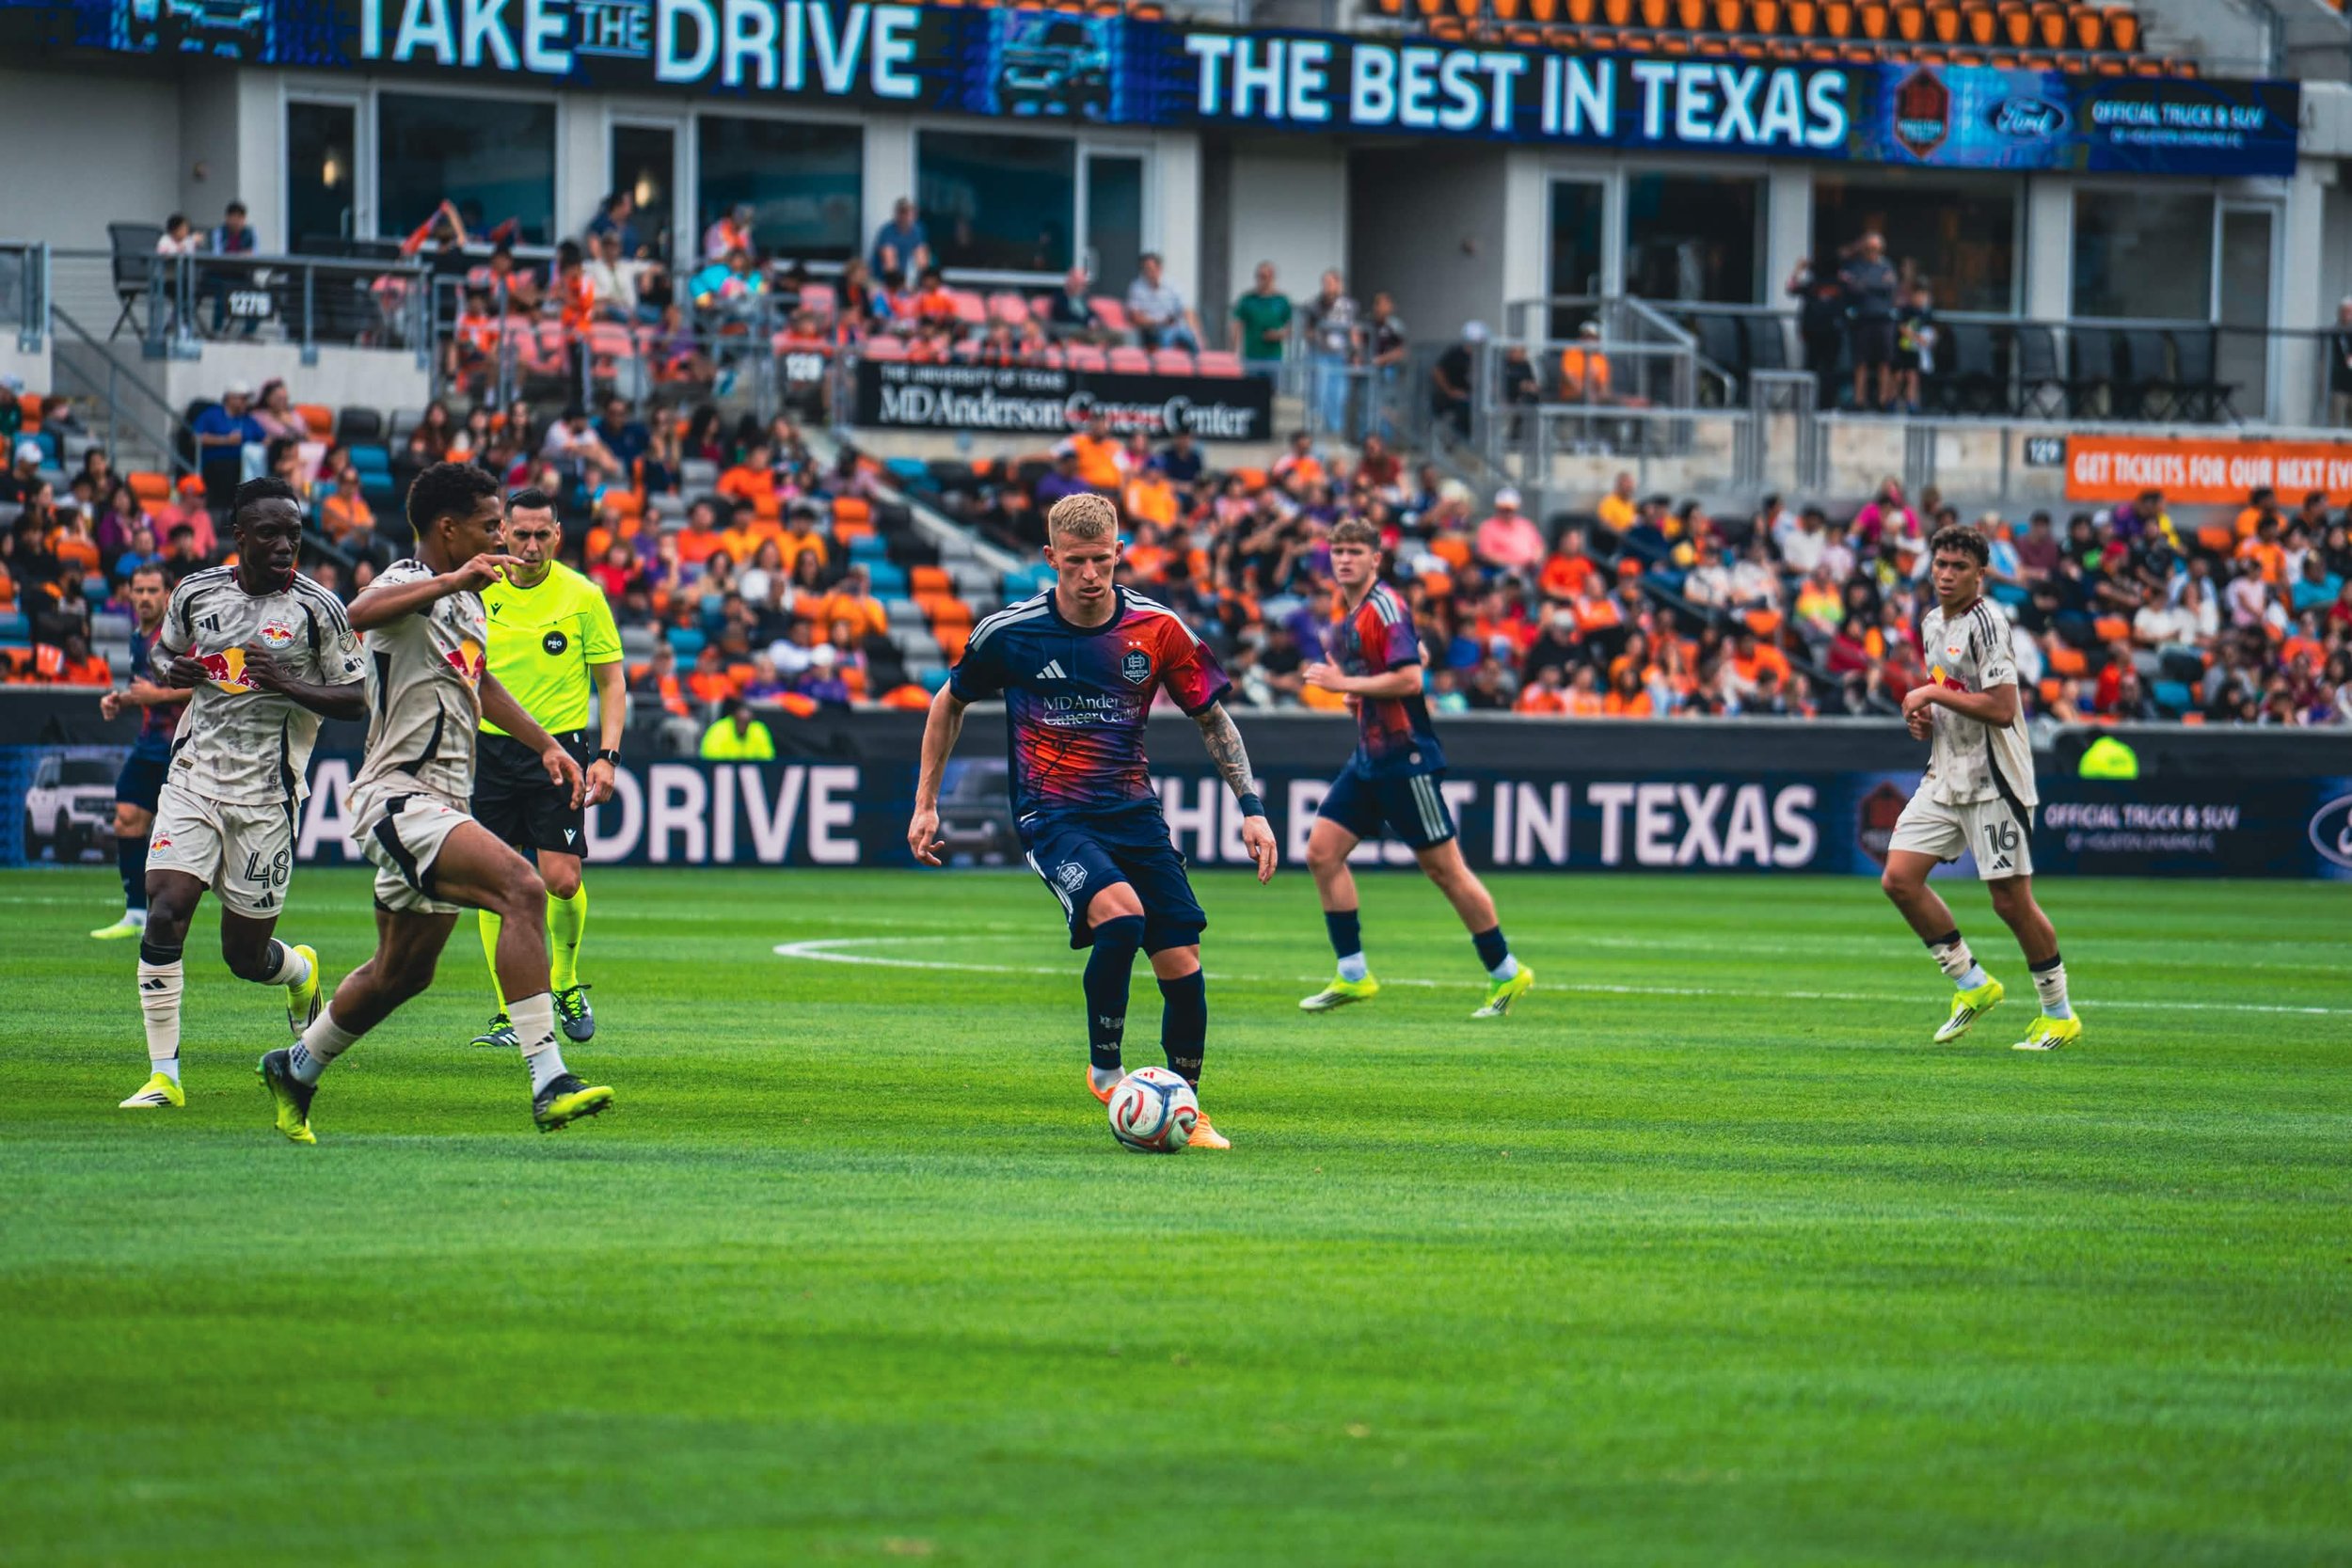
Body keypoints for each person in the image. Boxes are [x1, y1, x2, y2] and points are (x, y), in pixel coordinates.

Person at [907, 492, 1278, 1146]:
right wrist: (926, 802)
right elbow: (948, 702)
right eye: (1075, 561)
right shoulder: (1010, 632)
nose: (1089, 574)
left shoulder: (1158, 628)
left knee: (1183, 967)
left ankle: (1186, 1111)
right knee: (1123, 915)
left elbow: (1212, 719)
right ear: (1050, 557)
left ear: (1119, 554)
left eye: (1101, 560)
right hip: (1052, 815)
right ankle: (1106, 1068)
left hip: (1135, 814)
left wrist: (1252, 809)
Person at [257, 463, 608, 1144]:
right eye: (490, 524)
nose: (502, 535)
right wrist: (451, 580)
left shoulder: (468, 604)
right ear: (448, 529)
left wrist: (545, 746)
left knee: (403, 971)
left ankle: (296, 1067)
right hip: (398, 796)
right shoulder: (405, 579)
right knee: (523, 887)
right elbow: (355, 616)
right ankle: (548, 1077)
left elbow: (483, 684)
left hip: (440, 802)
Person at [119, 479, 366, 1112]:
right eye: (270, 533)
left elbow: (358, 697)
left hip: (267, 796)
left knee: (244, 955)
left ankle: (300, 971)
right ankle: (164, 1074)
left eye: (294, 533)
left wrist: (285, 680)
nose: (285, 545)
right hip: (195, 775)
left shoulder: (318, 610)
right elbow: (161, 655)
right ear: (239, 537)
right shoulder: (197, 592)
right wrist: (171, 672)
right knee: (166, 907)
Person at [1296, 518, 1534, 1019]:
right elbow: (1407, 657)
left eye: (1355, 551)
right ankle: (1354, 974)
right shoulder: (1355, 614)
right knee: (1322, 852)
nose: (1344, 560)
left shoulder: (1385, 606)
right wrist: (1355, 697)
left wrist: (1345, 685)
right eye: (1338, 551)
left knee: (1444, 870)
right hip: (1369, 758)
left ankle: (1506, 970)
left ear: (1374, 559)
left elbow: (1409, 678)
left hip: (1404, 760)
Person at [1881, 524, 2080, 1053]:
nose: (1946, 575)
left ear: (1980, 574)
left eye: (1958, 567)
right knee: (1899, 879)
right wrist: (1926, 717)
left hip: (1997, 780)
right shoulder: (1930, 623)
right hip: (1946, 773)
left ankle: (2058, 1013)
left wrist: (1928, 692)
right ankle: (1973, 983)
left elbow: (2000, 706)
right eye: (1940, 564)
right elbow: (1951, 695)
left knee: (2010, 903)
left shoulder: (1988, 623)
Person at [463, 487, 626, 1053]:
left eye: (542, 535)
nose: (531, 546)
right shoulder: (477, 590)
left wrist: (607, 755)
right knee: (492, 885)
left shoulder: (583, 595)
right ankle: (509, 1011)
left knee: (562, 879)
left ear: (558, 535)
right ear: (502, 532)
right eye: (521, 534)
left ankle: (564, 982)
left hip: (559, 751)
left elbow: (611, 681)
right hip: (486, 748)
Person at [89, 563, 189, 942]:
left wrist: (155, 696)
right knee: (127, 817)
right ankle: (134, 911)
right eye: (139, 590)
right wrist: (122, 700)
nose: (145, 598)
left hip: (183, 746)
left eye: (153, 591)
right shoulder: (137, 638)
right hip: (149, 745)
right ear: (128, 594)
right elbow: (146, 691)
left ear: (168, 594)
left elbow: (206, 686)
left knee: (182, 835)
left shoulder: (180, 637)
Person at [1840, 232, 1899, 414]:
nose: (1873, 252)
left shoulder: (1887, 265)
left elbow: (1889, 286)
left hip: (1884, 321)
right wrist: (1873, 284)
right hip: (1863, 320)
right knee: (1861, 361)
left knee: (1885, 361)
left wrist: (1866, 284)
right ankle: (1860, 400)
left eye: (1877, 248)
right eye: (1870, 248)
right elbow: (1853, 287)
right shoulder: (1856, 265)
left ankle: (1883, 400)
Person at [1300, 269, 1359, 436]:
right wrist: (1320, 333)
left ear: (1339, 284)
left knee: (1339, 395)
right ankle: (1316, 429)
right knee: (1319, 392)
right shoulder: (1314, 305)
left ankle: (1334, 431)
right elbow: (1307, 330)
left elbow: (1353, 330)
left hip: (1340, 356)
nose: (1327, 287)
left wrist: (1356, 353)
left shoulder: (1349, 306)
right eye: (1325, 283)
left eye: (1331, 283)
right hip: (1320, 353)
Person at [1788, 257, 1847, 410]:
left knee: (1816, 368)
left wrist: (1798, 270)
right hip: (1822, 333)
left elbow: (1791, 287)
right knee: (1825, 369)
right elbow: (1791, 289)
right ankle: (1823, 404)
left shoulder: (1815, 285)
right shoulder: (1838, 284)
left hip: (1821, 332)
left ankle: (1814, 404)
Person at [1123, 252, 1200, 353]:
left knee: (1190, 338)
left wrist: (1194, 331)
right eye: (1145, 269)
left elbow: (1187, 310)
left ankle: (1197, 365)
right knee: (1166, 336)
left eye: (1150, 269)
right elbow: (1135, 317)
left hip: (1176, 327)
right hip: (1152, 329)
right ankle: (1166, 366)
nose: (1148, 272)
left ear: (1159, 268)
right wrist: (1160, 322)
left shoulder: (1173, 286)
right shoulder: (1137, 288)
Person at [1229, 261, 1291, 376]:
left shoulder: (1281, 300)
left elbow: (1290, 327)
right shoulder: (1247, 299)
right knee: (1251, 390)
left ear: (1273, 278)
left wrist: (1279, 334)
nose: (1263, 280)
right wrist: (1235, 350)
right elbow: (1237, 324)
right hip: (1252, 355)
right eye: (1260, 276)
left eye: (1267, 277)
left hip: (1273, 356)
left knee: (1271, 390)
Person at [870, 197, 930, 288]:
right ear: (896, 214)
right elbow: (889, 264)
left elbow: (921, 260)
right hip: (882, 280)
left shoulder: (917, 230)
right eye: (902, 212)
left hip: (901, 278)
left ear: (914, 214)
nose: (905, 216)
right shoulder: (887, 231)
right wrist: (902, 286)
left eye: (908, 212)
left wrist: (926, 282)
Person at [701, 698, 776, 759]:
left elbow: (768, 757)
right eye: (740, 721)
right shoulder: (718, 730)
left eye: (747, 721)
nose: (744, 724)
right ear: (733, 716)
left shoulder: (758, 729)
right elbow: (711, 758)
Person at [2329, 298, 2352, 429]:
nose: (2347, 315)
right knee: (2336, 422)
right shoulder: (2335, 332)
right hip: (2338, 385)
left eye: (2350, 312)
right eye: (2345, 312)